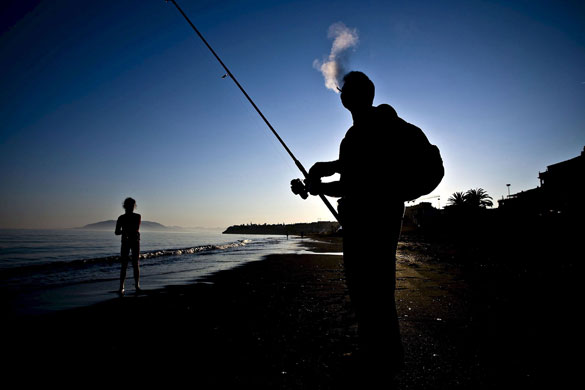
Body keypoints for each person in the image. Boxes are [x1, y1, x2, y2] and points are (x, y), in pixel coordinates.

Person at [293, 71, 436, 374]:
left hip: (372, 222)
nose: (341, 93)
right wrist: (324, 173)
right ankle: (380, 354)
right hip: (372, 219)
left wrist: (321, 183)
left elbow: (360, 182)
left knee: (370, 291)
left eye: (345, 89)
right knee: (371, 290)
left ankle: (383, 361)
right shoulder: (367, 130)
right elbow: (354, 173)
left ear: (357, 95)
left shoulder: (371, 130)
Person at [115, 197, 141, 294]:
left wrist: (124, 231)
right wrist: (124, 231)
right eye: (131, 205)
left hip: (134, 241)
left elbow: (136, 228)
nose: (132, 207)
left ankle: (136, 285)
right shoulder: (121, 218)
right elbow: (117, 232)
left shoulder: (137, 216)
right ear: (125, 206)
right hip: (127, 241)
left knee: (134, 263)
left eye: (133, 205)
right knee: (125, 264)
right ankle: (122, 286)